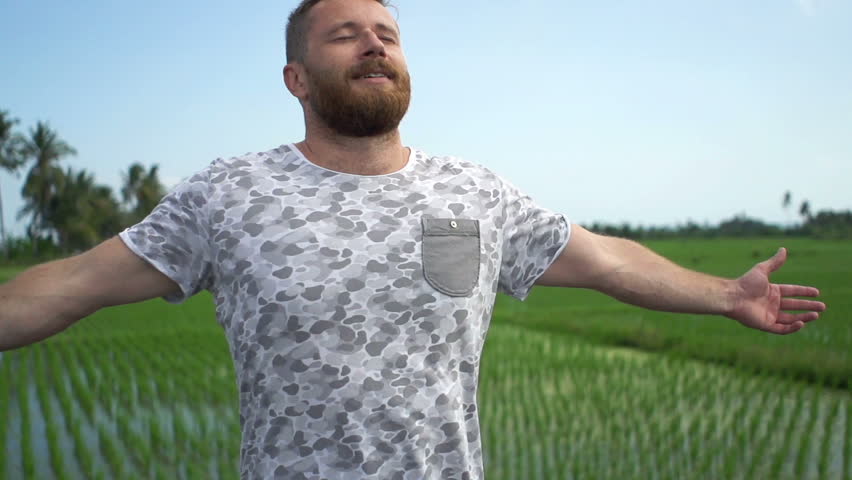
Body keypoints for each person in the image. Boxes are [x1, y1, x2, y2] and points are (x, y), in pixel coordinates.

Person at [0, 0, 827, 479]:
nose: (374, 42)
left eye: (387, 34)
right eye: (345, 33)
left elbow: (605, 258)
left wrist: (725, 294)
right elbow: (75, 282)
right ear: (296, 78)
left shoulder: (473, 190)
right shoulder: (230, 193)